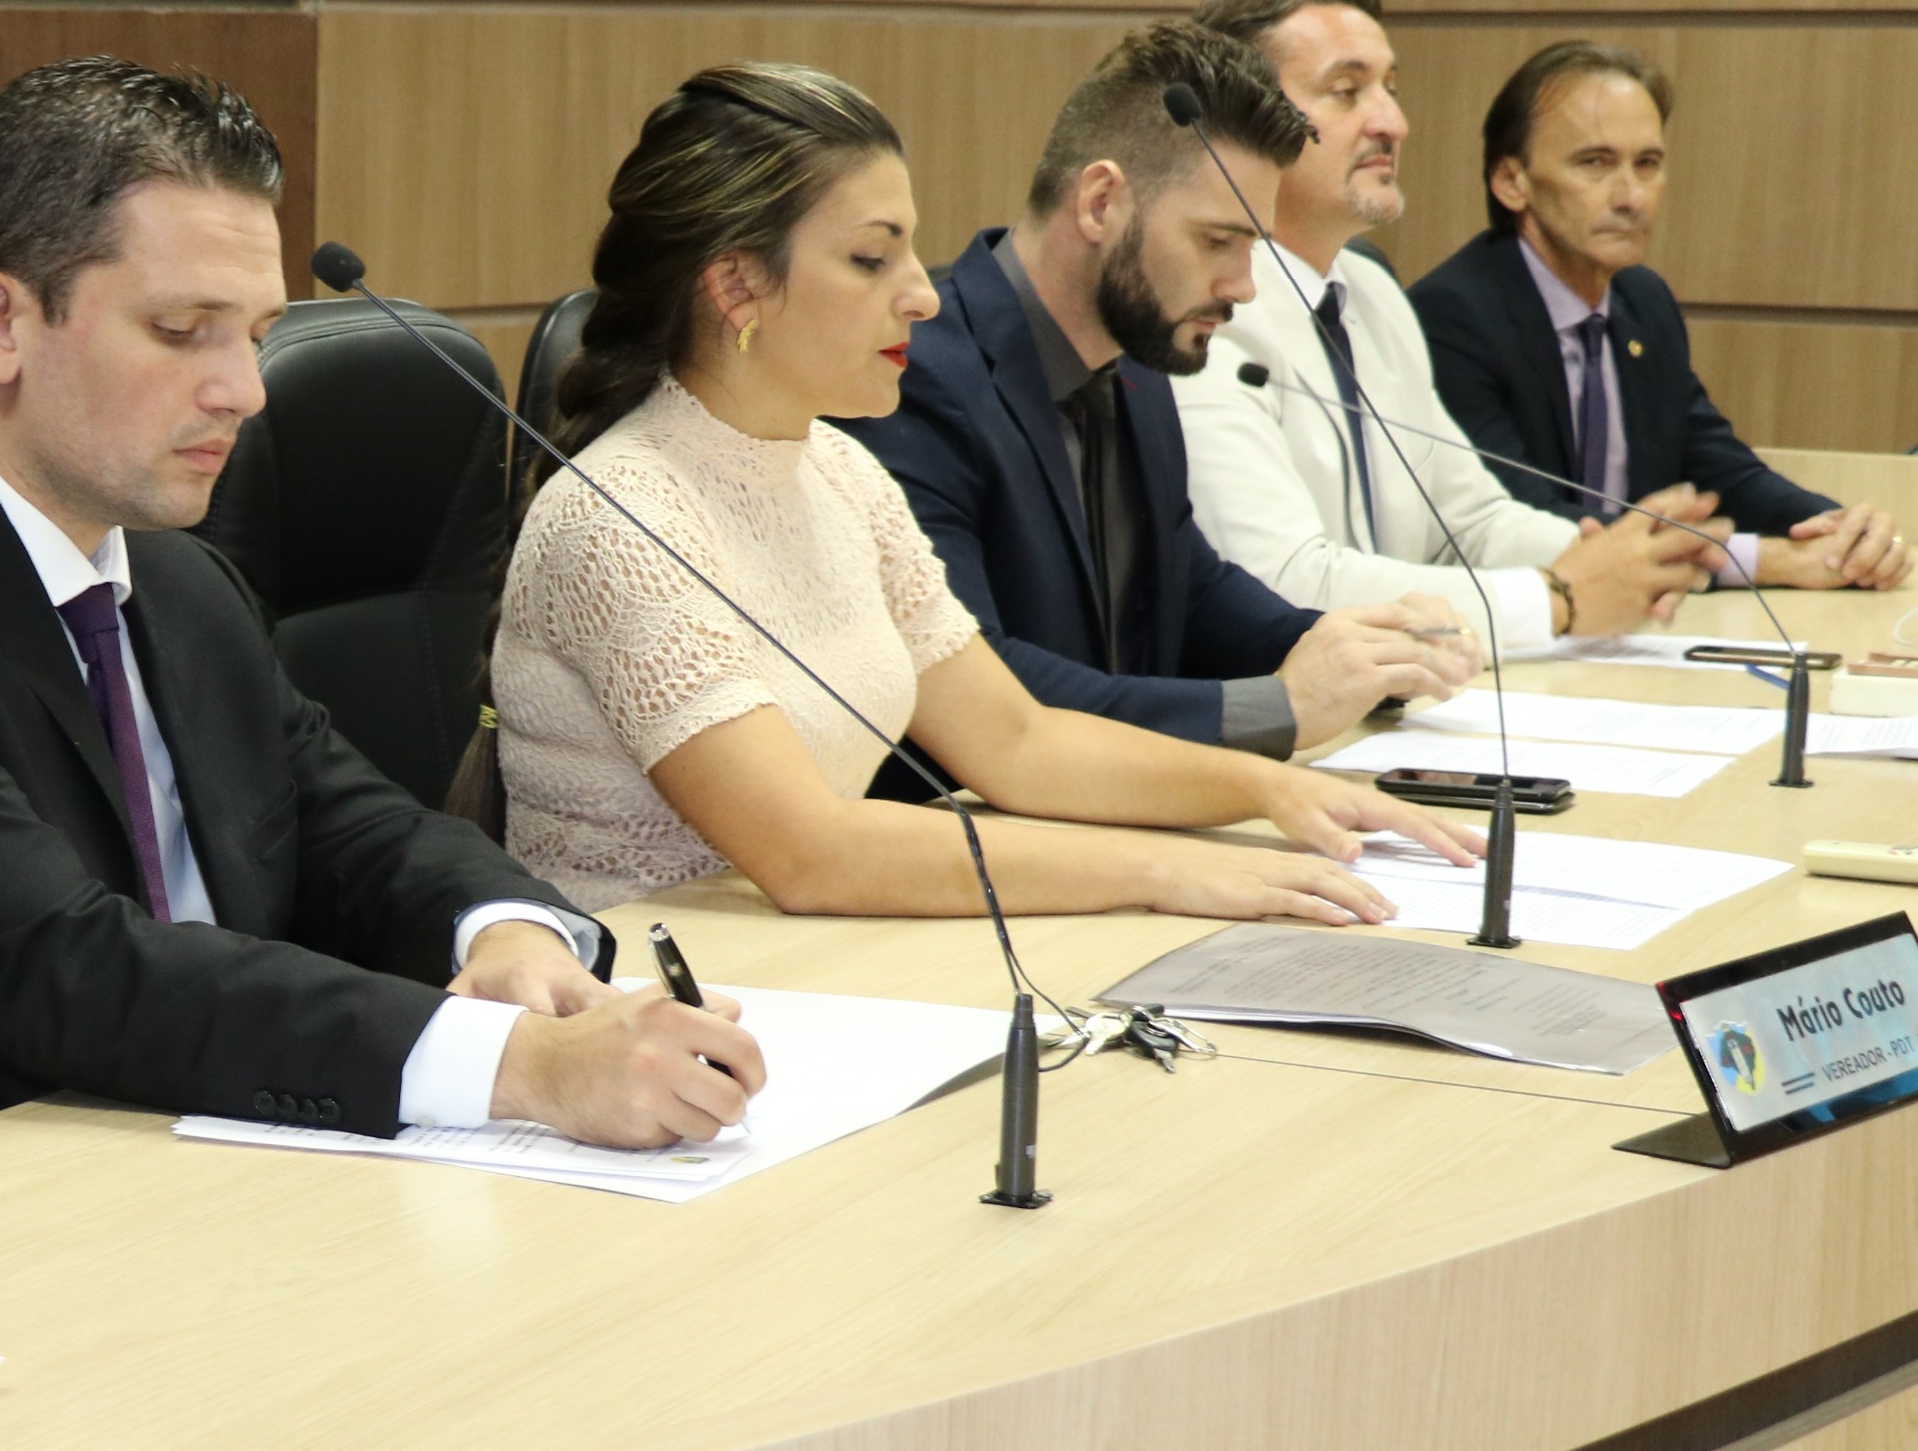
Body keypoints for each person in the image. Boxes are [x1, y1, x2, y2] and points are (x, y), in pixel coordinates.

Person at [0, 57, 759, 1168]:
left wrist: (505, 930)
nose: (246, 391)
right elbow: (69, 968)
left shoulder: (179, 582)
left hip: (185, 1164)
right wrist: (520, 1065)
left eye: (257, 334)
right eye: (184, 330)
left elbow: (356, 831)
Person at [485, 59, 1479, 922]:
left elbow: (1017, 742)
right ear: (736, 285)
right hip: (651, 1005)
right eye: (871, 258)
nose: (922, 293)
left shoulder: (839, 471)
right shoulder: (617, 517)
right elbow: (811, 851)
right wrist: (1162, 870)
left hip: (813, 973)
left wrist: (1266, 790)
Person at [833, 19, 1476, 758]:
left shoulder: (1138, 364)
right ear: (1101, 203)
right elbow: (982, 682)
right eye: (1217, 241)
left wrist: (1353, 653)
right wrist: (1280, 706)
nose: (1243, 287)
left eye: (1253, 246)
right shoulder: (916, 378)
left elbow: (1188, 591)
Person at [1177, 0, 1715, 655]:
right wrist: (1558, 599)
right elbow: (1284, 580)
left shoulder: (1372, 293)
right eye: (1347, 91)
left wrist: (1624, 559)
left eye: (1391, 90)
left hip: (1408, 686)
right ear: (1236, 124)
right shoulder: (1199, 312)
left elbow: (1469, 523)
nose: (1393, 123)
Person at [1412, 39, 1913, 591]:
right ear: (1513, 182)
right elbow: (1517, 521)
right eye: (1595, 163)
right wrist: (1766, 560)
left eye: (1647, 164)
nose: (1631, 197)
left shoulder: (1641, 300)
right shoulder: (1452, 315)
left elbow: (1719, 468)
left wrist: (1836, 530)